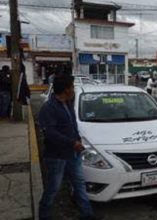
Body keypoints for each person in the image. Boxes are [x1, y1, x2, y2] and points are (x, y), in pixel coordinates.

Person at [38, 75, 98, 220]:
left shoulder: (68, 102)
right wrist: (72, 143)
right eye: (71, 86)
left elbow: (72, 125)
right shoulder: (49, 107)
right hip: (56, 156)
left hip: (73, 154)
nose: (73, 89)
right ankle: (44, 216)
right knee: (53, 188)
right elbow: (50, 133)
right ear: (65, 90)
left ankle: (87, 214)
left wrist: (77, 139)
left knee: (79, 184)